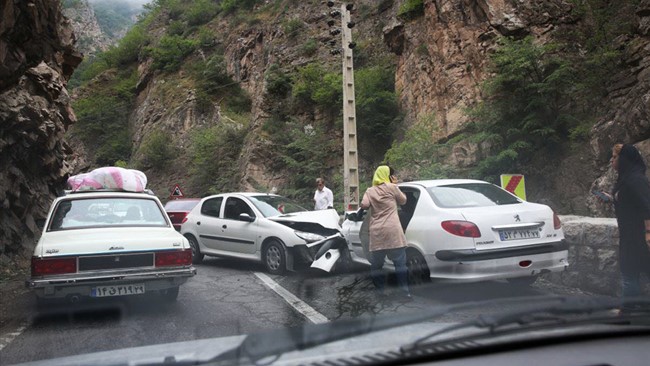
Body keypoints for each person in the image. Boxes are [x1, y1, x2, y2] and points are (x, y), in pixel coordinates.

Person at [604, 144, 650, 298]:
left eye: (615, 157)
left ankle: (628, 313)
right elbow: (630, 201)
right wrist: (612, 199)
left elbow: (647, 206)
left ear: (624, 159)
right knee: (631, 274)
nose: (612, 161)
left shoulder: (635, 179)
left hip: (638, 237)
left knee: (629, 276)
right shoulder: (626, 179)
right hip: (630, 236)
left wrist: (648, 233)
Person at [359, 165, 411, 300]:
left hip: (377, 233)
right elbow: (404, 200)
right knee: (400, 264)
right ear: (387, 175)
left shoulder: (370, 190)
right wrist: (395, 185)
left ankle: (380, 292)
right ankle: (405, 292)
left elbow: (364, 205)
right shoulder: (392, 188)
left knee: (377, 265)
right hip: (393, 231)